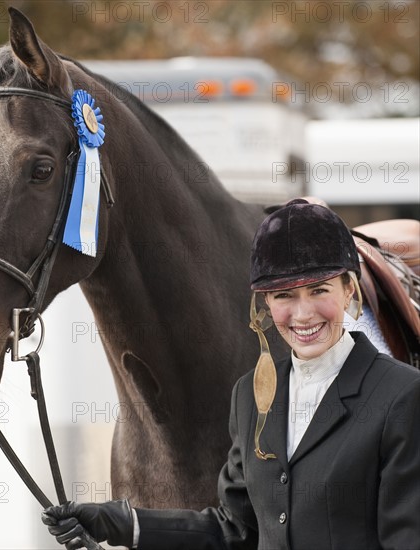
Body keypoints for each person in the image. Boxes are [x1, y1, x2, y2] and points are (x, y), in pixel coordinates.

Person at [42, 199, 420, 550]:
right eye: (284, 296)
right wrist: (119, 523)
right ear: (265, 303)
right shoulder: (250, 395)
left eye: (318, 290)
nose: (303, 315)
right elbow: (233, 530)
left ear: (348, 289)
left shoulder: (402, 397)